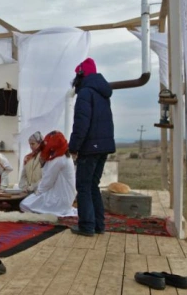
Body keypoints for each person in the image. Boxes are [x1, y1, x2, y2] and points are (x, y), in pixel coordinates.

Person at [68, 57, 116, 236]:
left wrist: (74, 147)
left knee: (83, 186)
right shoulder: (102, 94)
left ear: (81, 75)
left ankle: (87, 225)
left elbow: (81, 123)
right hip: (103, 146)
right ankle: (98, 225)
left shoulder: (85, 93)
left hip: (90, 147)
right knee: (93, 185)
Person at [19, 130, 77, 217]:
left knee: (24, 204)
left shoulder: (57, 159)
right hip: (64, 197)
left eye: (33, 144)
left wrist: (36, 193)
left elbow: (47, 182)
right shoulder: (65, 157)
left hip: (58, 198)